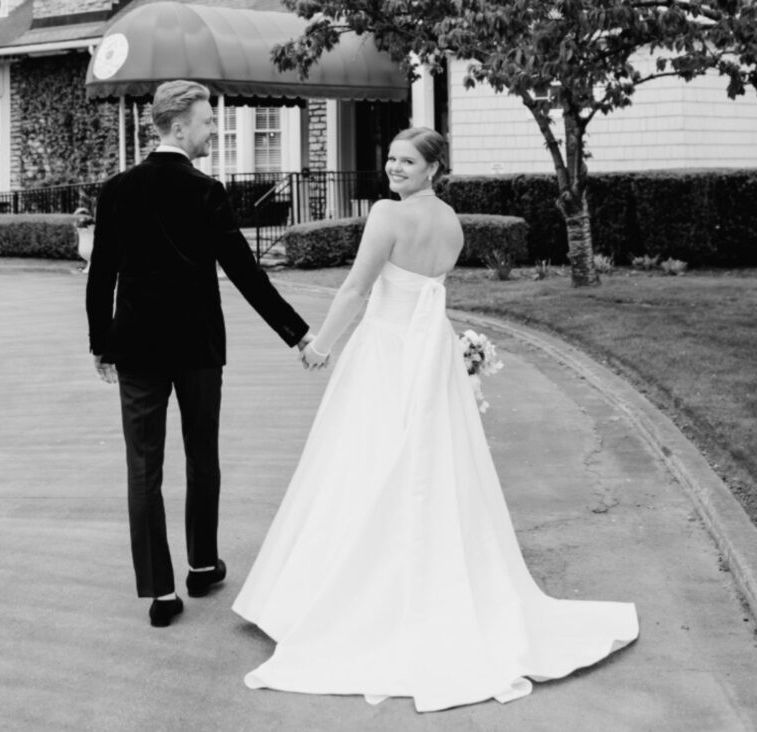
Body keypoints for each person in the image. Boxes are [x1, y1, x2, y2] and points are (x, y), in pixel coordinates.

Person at [233, 127, 638, 711]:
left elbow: (355, 288)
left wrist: (320, 345)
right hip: (429, 355)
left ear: (433, 169)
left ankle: (345, 594)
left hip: (386, 351)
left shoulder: (387, 216)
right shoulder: (450, 222)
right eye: (391, 158)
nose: (394, 168)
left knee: (361, 461)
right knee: (429, 464)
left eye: (407, 161)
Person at [86, 80, 314, 628]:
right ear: (178, 126)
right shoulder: (206, 191)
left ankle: (161, 593)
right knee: (201, 456)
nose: (214, 129)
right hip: (198, 348)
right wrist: (297, 333)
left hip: (136, 346)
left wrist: (101, 342)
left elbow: (101, 275)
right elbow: (246, 274)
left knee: (143, 467)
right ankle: (202, 565)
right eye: (208, 121)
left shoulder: (117, 190)